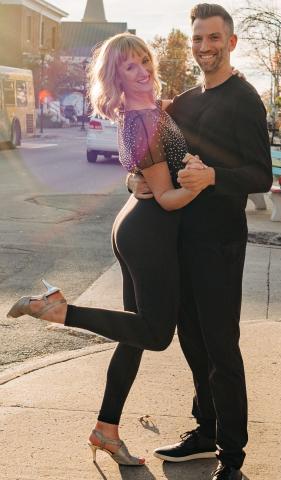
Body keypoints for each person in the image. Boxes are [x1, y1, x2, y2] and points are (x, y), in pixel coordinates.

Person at [7, 33, 208, 467]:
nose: (142, 69)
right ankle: (59, 310)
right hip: (150, 232)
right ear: (116, 77)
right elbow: (169, 197)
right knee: (155, 334)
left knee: (132, 335)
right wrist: (202, 179)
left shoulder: (147, 112)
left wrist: (167, 174)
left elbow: (146, 178)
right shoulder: (142, 120)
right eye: (129, 66)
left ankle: (106, 430)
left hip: (136, 224)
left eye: (143, 60)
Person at [129, 4, 272, 480]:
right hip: (179, 242)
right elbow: (153, 158)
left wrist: (213, 177)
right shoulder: (185, 102)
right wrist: (135, 184)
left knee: (220, 348)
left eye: (213, 39)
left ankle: (231, 457)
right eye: (197, 40)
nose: (204, 47)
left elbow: (261, 176)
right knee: (190, 339)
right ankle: (204, 430)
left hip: (220, 246)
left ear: (230, 43)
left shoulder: (246, 100)